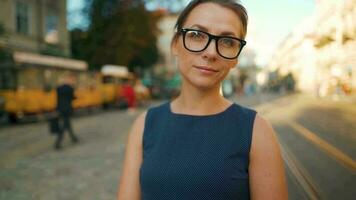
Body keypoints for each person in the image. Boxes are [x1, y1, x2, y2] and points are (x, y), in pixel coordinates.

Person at [117, 0, 288, 199]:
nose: (211, 52)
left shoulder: (256, 130)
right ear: (175, 44)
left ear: (236, 58)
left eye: (227, 42)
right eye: (197, 35)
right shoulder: (145, 125)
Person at [54, 75, 79, 150]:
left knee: (67, 123)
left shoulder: (58, 89)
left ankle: (73, 138)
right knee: (65, 125)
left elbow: (57, 99)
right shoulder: (70, 88)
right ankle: (57, 143)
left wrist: (57, 109)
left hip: (61, 109)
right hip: (67, 109)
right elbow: (72, 97)